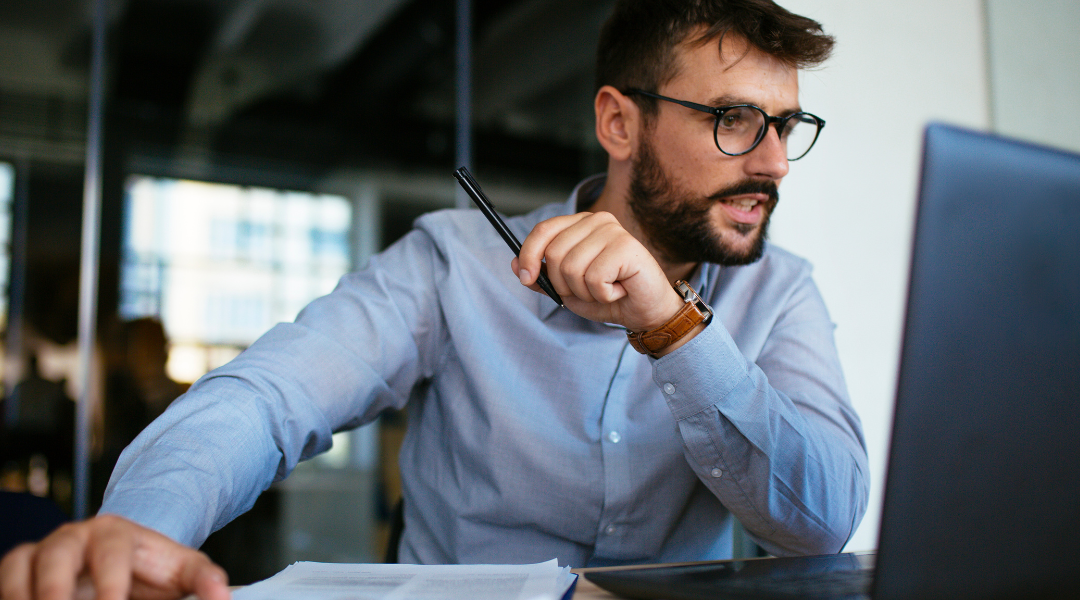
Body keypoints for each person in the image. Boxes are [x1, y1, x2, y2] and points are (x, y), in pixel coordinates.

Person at [0, 0, 869, 598]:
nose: (774, 163)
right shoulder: (454, 263)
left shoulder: (781, 292)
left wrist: (674, 327)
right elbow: (265, 399)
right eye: (734, 120)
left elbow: (821, 523)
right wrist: (135, 529)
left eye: (786, 125)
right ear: (619, 123)